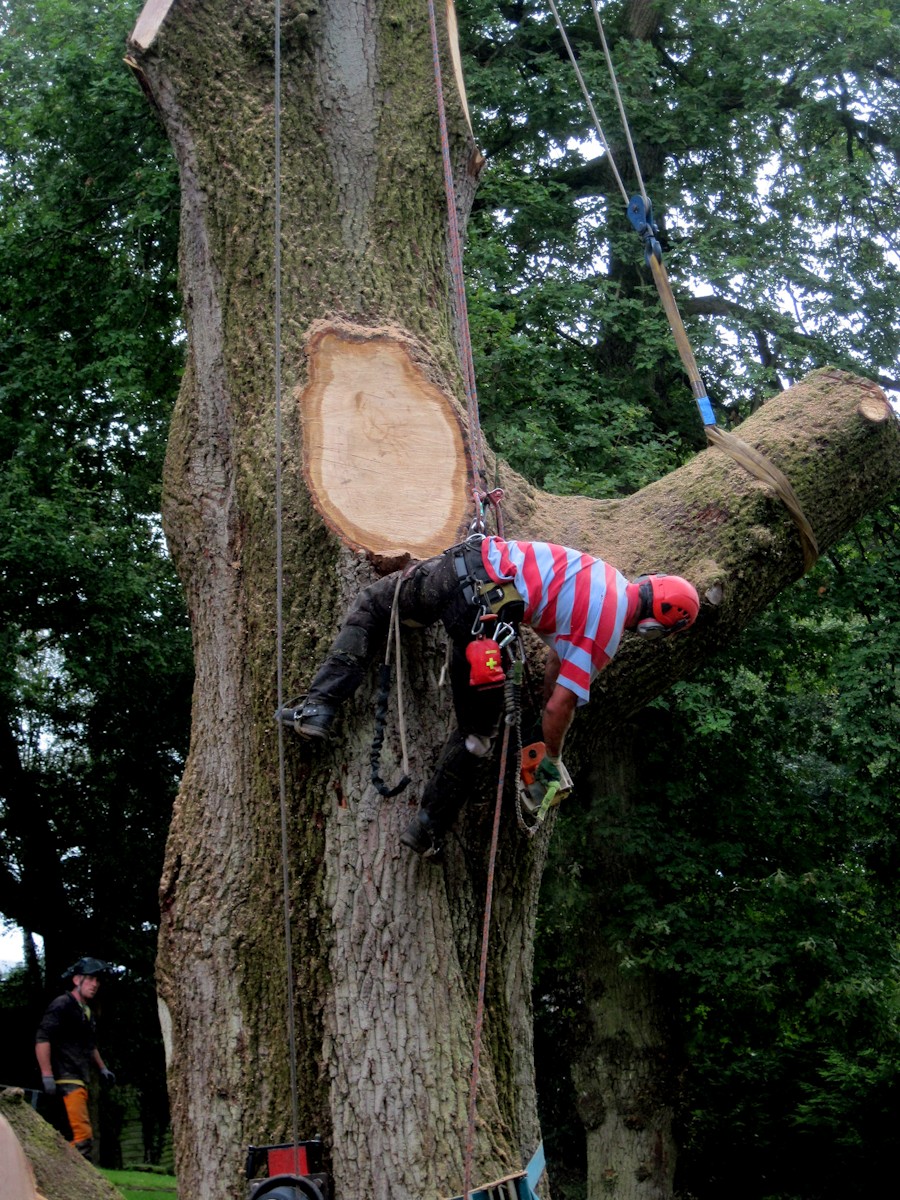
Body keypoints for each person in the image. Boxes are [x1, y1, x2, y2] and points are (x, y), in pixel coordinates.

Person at [282, 535, 699, 857]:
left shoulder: (603, 575)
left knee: (375, 605)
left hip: (461, 570)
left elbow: (558, 661)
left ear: (649, 585)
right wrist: (550, 758)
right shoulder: (604, 635)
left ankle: (319, 707)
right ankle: (426, 828)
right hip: (483, 623)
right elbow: (560, 705)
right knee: (477, 735)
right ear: (655, 629)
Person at [35, 957, 116, 1160]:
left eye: (97, 980)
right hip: (65, 1078)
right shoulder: (62, 1004)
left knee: (72, 1137)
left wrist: (103, 1068)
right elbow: (42, 1038)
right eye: (90, 979)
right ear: (76, 980)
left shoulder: (87, 1011)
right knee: (82, 1139)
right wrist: (47, 1074)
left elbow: (90, 1045)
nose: (95, 984)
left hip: (80, 1077)